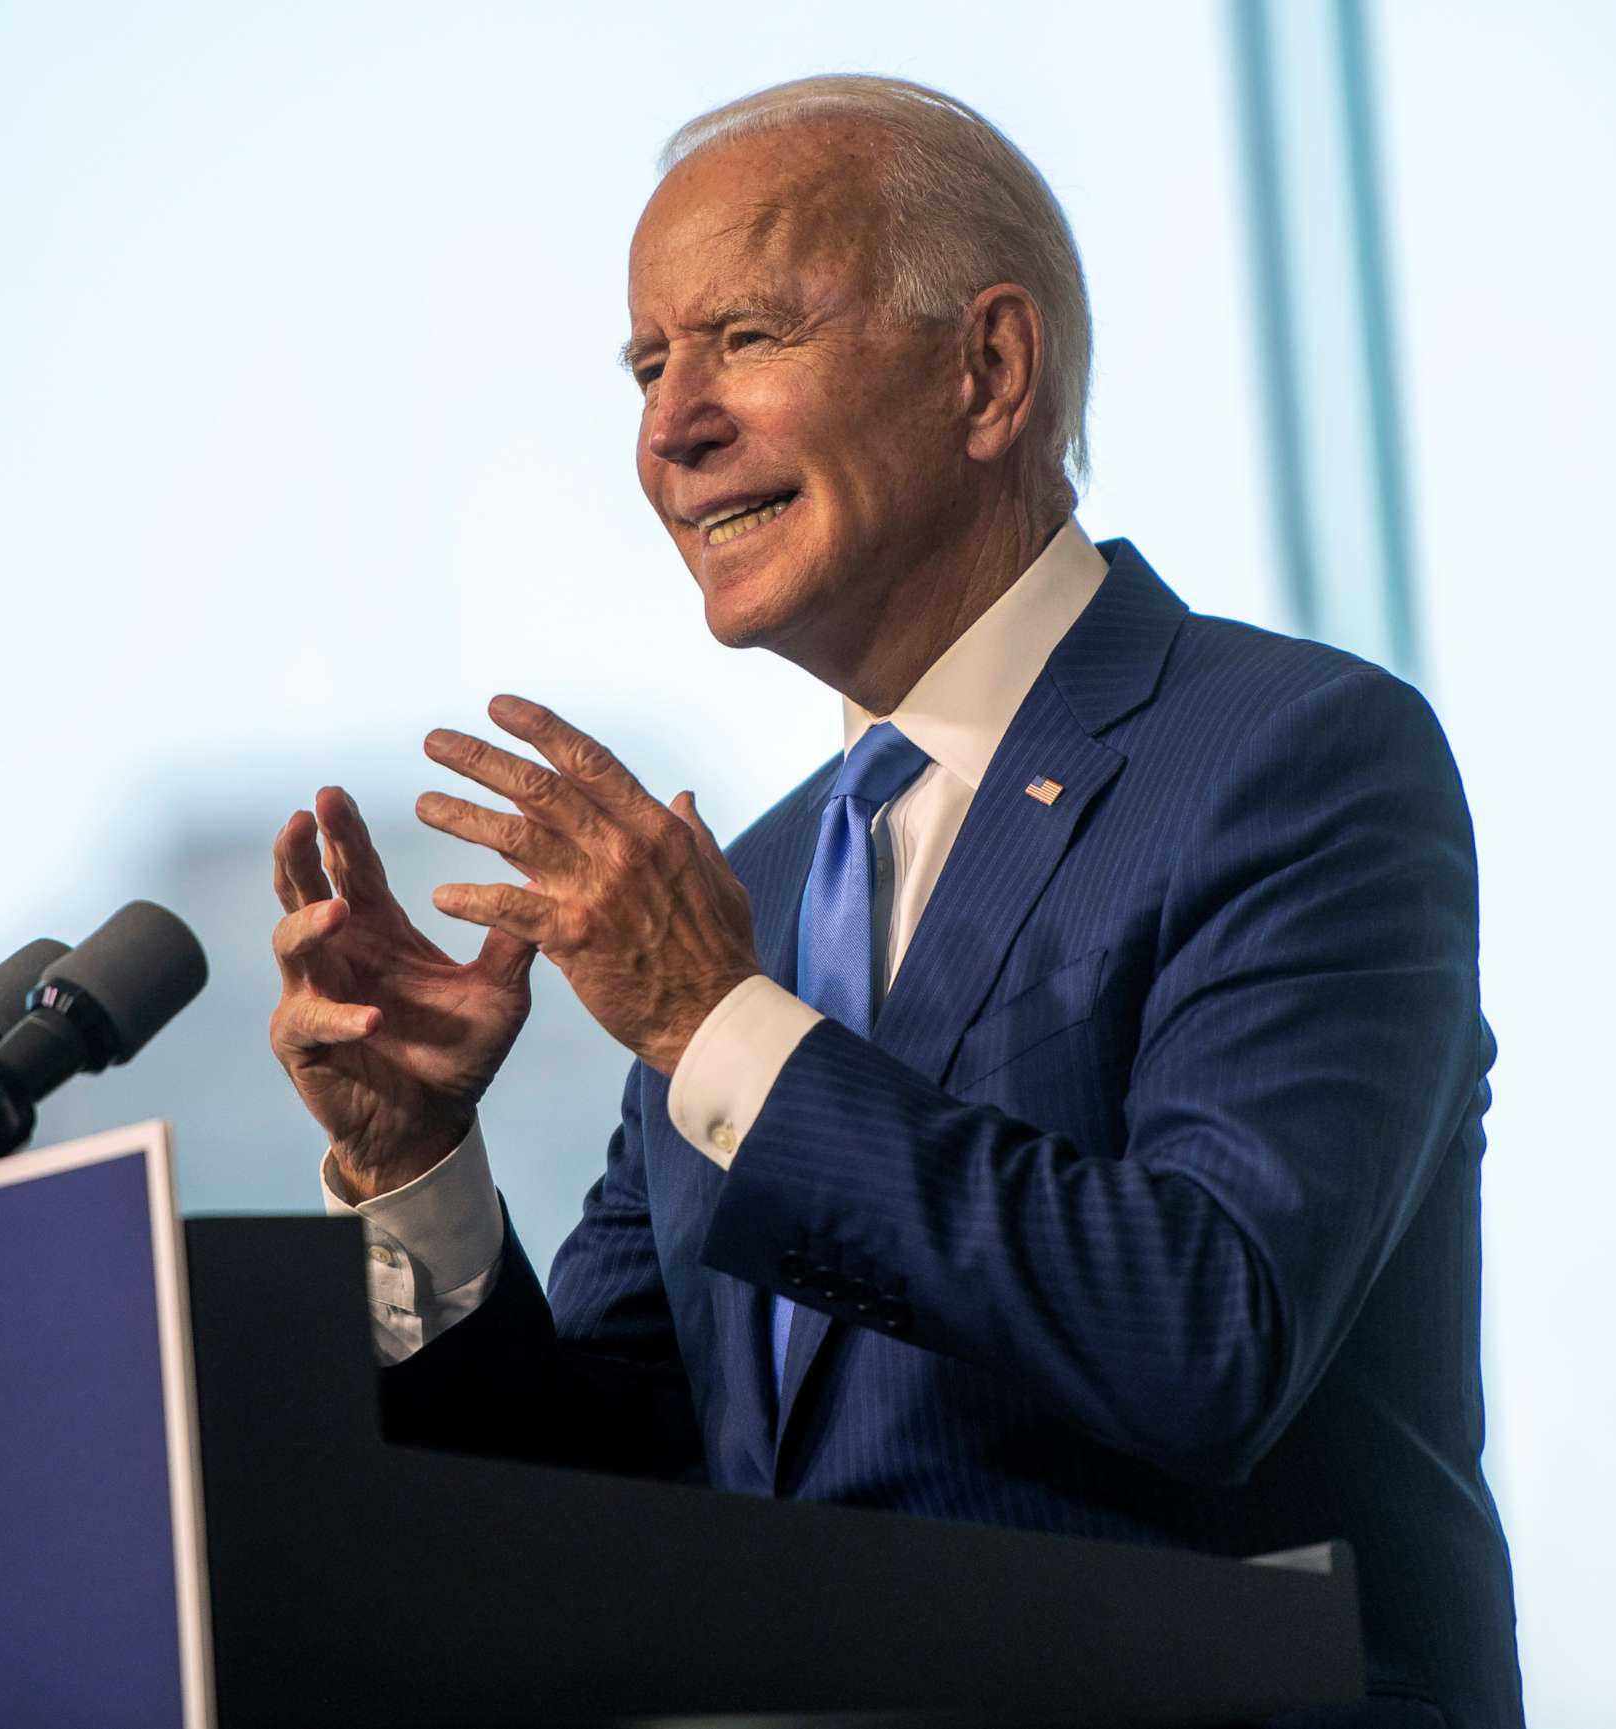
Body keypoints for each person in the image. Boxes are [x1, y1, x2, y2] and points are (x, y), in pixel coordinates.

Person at [264, 75, 1520, 1728]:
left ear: (986, 371)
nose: (668, 430)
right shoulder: (752, 896)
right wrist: (419, 1171)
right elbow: (621, 1488)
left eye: (744, 339)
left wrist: (726, 1026)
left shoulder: (1292, 757)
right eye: (648, 367)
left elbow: (1210, 1329)